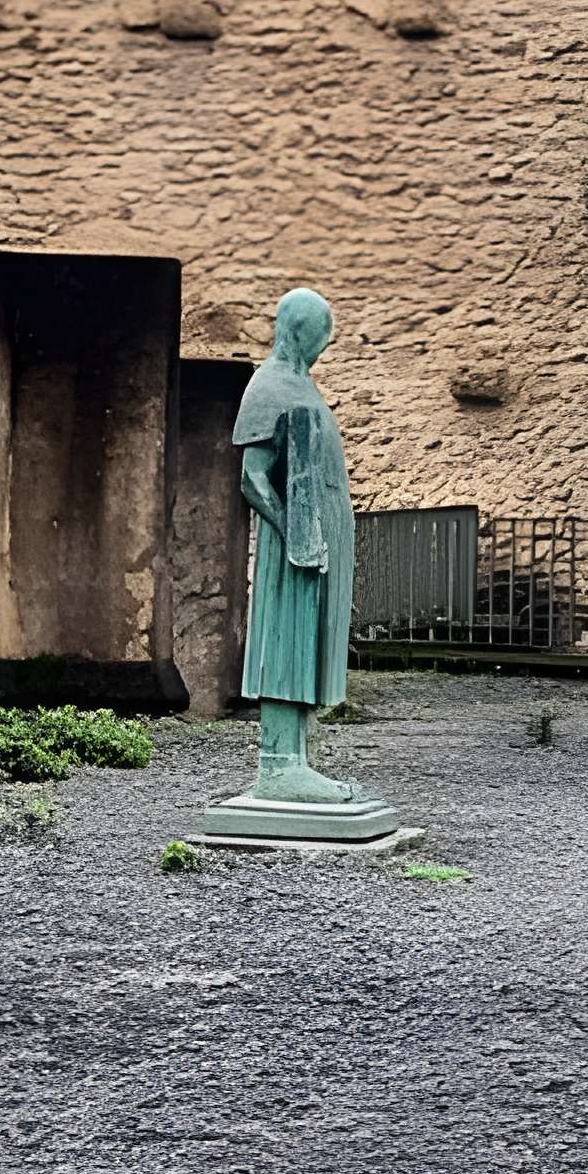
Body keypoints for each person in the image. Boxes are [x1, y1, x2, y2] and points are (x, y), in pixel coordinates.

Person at [232, 287, 361, 804]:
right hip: (294, 549)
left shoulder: (299, 385)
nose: (322, 350)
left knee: (308, 645)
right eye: (320, 338)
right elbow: (252, 478)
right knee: (288, 640)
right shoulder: (268, 386)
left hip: (315, 542)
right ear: (301, 331)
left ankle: (296, 762)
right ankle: (279, 766)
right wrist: (295, 532)